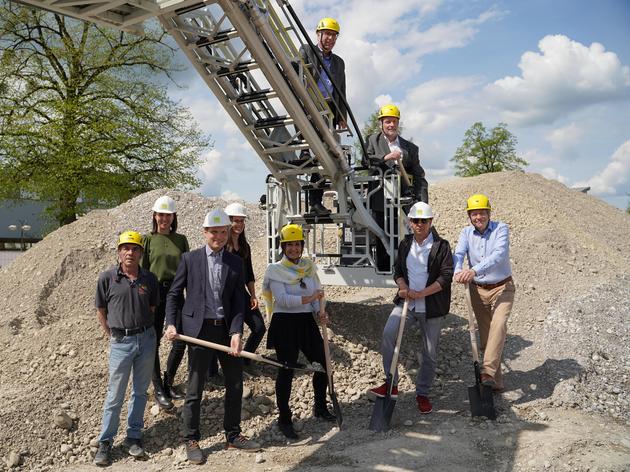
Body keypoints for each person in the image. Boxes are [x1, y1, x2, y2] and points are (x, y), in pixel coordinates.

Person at [164, 208, 260, 465]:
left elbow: (239, 301)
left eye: (222, 231)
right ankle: (191, 439)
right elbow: (174, 295)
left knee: (235, 384)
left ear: (227, 233)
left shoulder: (235, 262)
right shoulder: (190, 259)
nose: (217, 236)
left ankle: (233, 435)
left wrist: (237, 331)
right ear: (204, 232)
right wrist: (171, 324)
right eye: (213, 232)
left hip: (226, 330)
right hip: (199, 331)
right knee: (195, 388)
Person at [368, 202, 453, 414]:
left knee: (430, 353)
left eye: (424, 221)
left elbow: (446, 276)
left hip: (431, 308)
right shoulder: (406, 244)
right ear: (410, 222)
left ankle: (422, 393)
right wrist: (404, 287)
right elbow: (397, 271)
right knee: (389, 334)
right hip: (407, 304)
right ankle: (391, 383)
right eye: (416, 221)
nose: (420, 224)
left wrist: (421, 293)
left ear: (431, 222)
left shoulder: (442, 246)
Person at [262, 223, 335, 439]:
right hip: (285, 323)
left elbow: (316, 296)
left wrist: (320, 312)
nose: (293, 248)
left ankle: (320, 407)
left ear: (302, 245)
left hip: (305, 322)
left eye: (297, 244)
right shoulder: (275, 270)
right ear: (282, 247)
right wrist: (310, 299)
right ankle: (284, 418)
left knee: (323, 364)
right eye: (289, 245)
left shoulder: (308, 268)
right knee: (287, 369)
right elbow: (282, 299)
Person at [93, 231, 159, 466]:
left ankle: (134, 436)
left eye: (135, 249)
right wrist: (112, 334)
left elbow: (152, 308)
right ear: (119, 252)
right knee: (115, 394)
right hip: (120, 342)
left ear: (141, 253)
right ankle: (106, 442)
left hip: (146, 340)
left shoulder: (149, 279)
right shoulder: (107, 278)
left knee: (140, 392)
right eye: (126, 248)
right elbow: (101, 310)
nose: (130, 252)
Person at [453, 194, 515, 392]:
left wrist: (473, 271)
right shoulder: (465, 233)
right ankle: (495, 383)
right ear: (469, 216)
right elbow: (459, 253)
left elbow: (498, 255)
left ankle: (487, 371)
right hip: (478, 290)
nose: (478, 217)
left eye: (482, 213)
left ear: (489, 213)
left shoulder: (501, 229)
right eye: (474, 214)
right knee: (487, 338)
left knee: (499, 325)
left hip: (502, 288)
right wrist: (457, 271)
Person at [365, 104, 429, 271]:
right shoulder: (372, 140)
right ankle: (385, 269)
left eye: (394, 121)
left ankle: (413, 265)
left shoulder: (411, 148)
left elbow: (419, 175)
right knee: (382, 232)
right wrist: (386, 157)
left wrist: (422, 204)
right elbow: (366, 161)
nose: (391, 125)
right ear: (381, 123)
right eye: (387, 122)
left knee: (412, 230)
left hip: (403, 198)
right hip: (380, 197)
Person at [141, 195, 189, 410]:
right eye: (161, 214)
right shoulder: (147, 240)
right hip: (154, 293)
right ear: (154, 216)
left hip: (176, 293)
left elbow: (188, 270)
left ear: (173, 217)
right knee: (153, 341)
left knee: (180, 340)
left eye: (168, 215)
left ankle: (168, 381)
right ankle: (158, 388)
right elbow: (142, 271)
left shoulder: (181, 240)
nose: (164, 218)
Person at [299, 17, 347, 215]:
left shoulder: (338, 62)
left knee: (323, 156)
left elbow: (342, 89)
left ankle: (315, 202)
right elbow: (297, 73)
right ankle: (303, 150)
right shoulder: (306, 50)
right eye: (327, 34)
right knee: (309, 151)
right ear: (318, 34)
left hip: (328, 107)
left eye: (334, 36)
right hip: (308, 102)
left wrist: (341, 115)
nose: (330, 39)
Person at [224, 202, 266, 365]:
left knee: (259, 327)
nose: (239, 224)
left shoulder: (244, 246)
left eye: (242, 221)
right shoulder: (222, 247)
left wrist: (253, 295)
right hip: (226, 296)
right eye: (236, 220)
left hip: (242, 294)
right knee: (227, 333)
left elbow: (249, 273)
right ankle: (222, 369)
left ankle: (244, 361)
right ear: (229, 222)